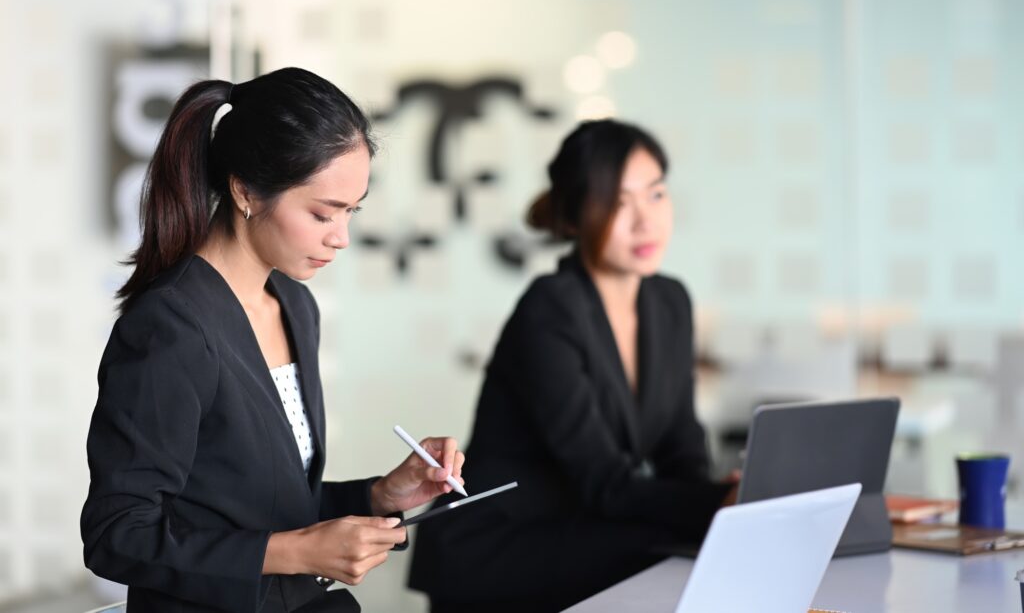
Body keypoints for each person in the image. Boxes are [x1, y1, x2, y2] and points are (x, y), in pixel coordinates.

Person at [81, 67, 465, 613]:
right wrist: (296, 552)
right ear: (244, 190)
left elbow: (263, 502)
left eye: (351, 212)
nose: (342, 237)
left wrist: (380, 495)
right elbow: (117, 534)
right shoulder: (170, 327)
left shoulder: (293, 305)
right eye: (322, 213)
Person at [408, 119, 737, 612]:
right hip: (501, 546)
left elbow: (681, 451)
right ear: (578, 214)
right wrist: (714, 504)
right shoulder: (551, 307)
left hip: (587, 531)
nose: (644, 221)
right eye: (618, 202)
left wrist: (725, 498)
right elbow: (603, 481)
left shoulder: (669, 302)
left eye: (655, 195)